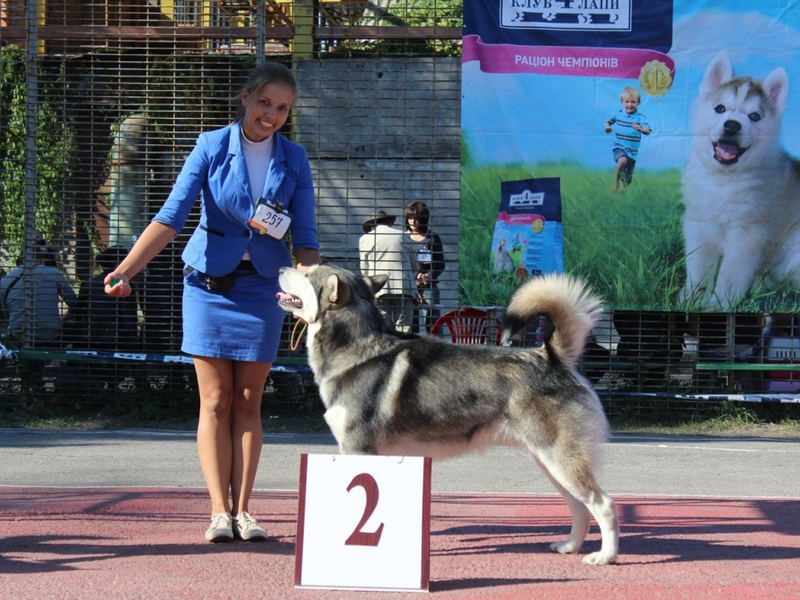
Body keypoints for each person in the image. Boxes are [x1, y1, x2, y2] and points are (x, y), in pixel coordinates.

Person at [104, 62, 320, 543]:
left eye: (282, 108)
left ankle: (244, 512)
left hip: (263, 288)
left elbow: (305, 238)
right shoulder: (210, 145)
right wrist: (124, 271)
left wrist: (311, 284)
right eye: (264, 103)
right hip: (207, 285)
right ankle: (219, 512)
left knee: (248, 401)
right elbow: (170, 218)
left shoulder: (295, 158)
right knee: (216, 400)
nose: (272, 115)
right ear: (246, 98)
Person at [0, 244, 77, 346]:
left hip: (19, 334)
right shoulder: (53, 273)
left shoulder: (6, 279)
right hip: (49, 334)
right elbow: (74, 303)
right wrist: (66, 318)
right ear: (42, 260)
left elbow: (6, 312)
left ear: (20, 261)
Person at [359, 210, 416, 333]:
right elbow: (414, 266)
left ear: (372, 226)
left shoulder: (365, 238)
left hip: (379, 288)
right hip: (404, 286)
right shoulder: (403, 235)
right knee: (404, 327)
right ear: (389, 223)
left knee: (384, 327)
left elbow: (364, 269)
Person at [404, 201, 445, 334]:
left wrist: (429, 275)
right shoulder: (402, 238)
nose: (413, 221)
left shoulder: (433, 238)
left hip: (429, 287)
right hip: (409, 286)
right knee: (412, 321)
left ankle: (436, 345)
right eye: (410, 217)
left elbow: (440, 264)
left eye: (416, 218)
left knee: (433, 321)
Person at [604, 86, 651, 193]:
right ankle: (615, 183)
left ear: (638, 103)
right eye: (627, 102)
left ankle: (621, 192)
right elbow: (608, 122)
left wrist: (640, 128)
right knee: (622, 160)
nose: (630, 104)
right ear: (622, 102)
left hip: (632, 152)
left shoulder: (641, 118)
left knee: (625, 181)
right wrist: (607, 127)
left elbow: (648, 131)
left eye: (633, 102)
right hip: (619, 146)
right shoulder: (617, 114)